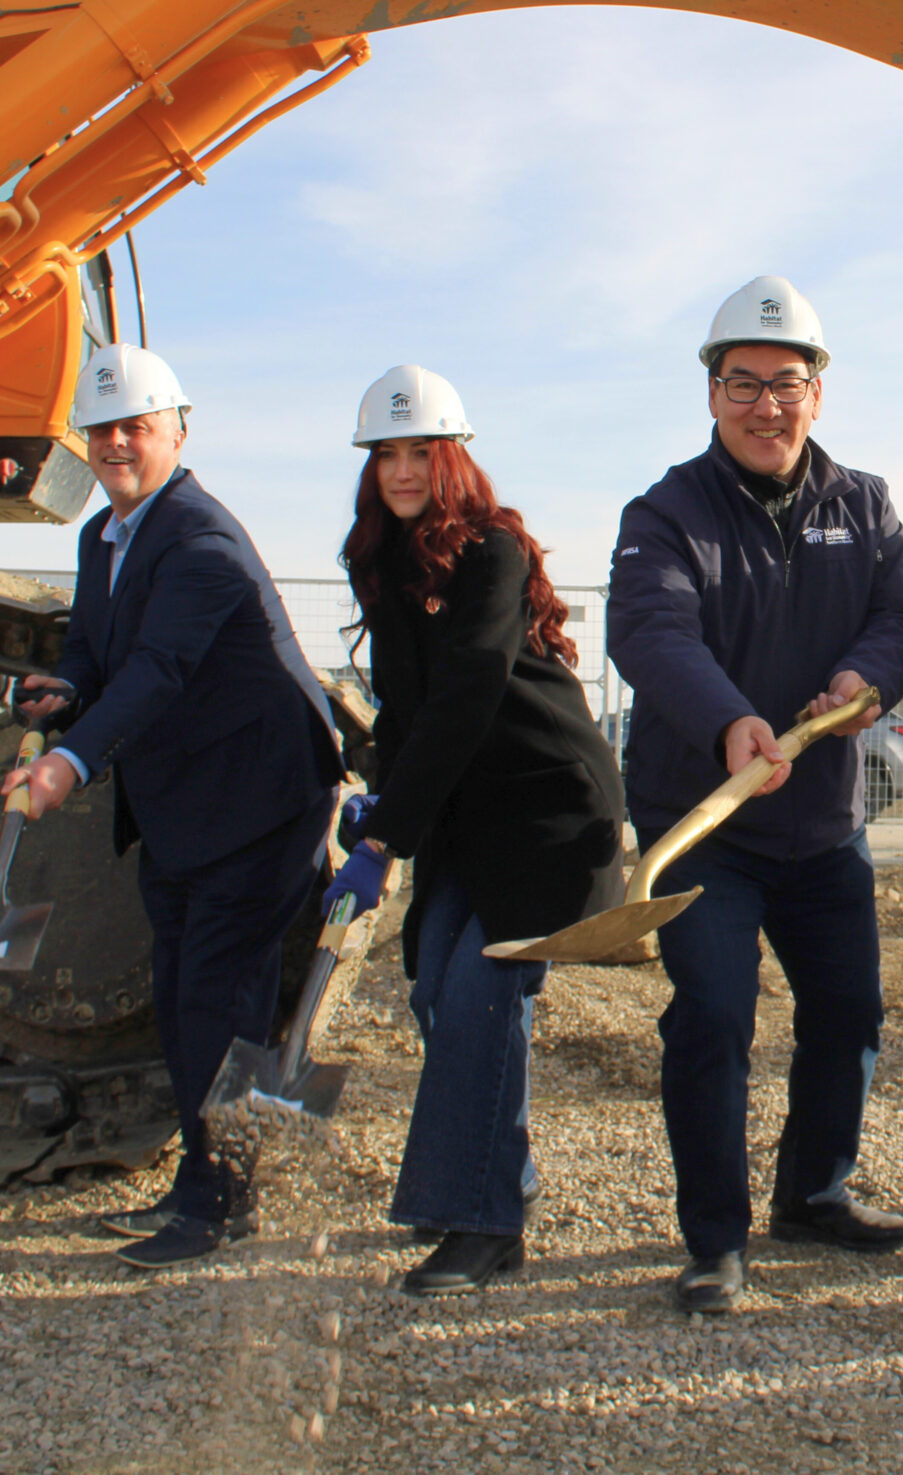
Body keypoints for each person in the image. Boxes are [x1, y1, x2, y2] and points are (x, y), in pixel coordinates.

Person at [607, 274, 903, 1313]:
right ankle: (715, 1239)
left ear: (817, 393)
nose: (766, 406)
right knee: (712, 1016)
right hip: (705, 823)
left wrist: (863, 681)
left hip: (824, 821)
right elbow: (650, 633)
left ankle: (814, 1192)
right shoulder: (664, 513)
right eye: (742, 384)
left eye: (785, 383)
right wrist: (728, 725)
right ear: (712, 396)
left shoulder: (863, 504)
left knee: (848, 1013)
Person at [8, 344, 342, 1269]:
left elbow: (158, 671)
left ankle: (225, 1200)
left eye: (136, 427)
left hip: (259, 795)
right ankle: (201, 1175)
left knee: (217, 1000)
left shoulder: (196, 540)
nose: (117, 443)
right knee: (178, 992)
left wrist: (70, 761)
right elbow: (94, 648)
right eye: (103, 429)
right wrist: (62, 691)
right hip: (188, 798)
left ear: (176, 431)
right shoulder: (104, 536)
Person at [334, 365, 626, 1297]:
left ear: (455, 457)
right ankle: (503, 1171)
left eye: (423, 450)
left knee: (479, 1002)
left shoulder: (493, 550)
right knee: (432, 996)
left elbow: (466, 696)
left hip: (545, 809)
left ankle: (485, 1223)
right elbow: (408, 709)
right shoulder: (379, 560)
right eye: (388, 453)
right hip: (466, 812)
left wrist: (386, 836)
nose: (405, 469)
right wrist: (379, 799)